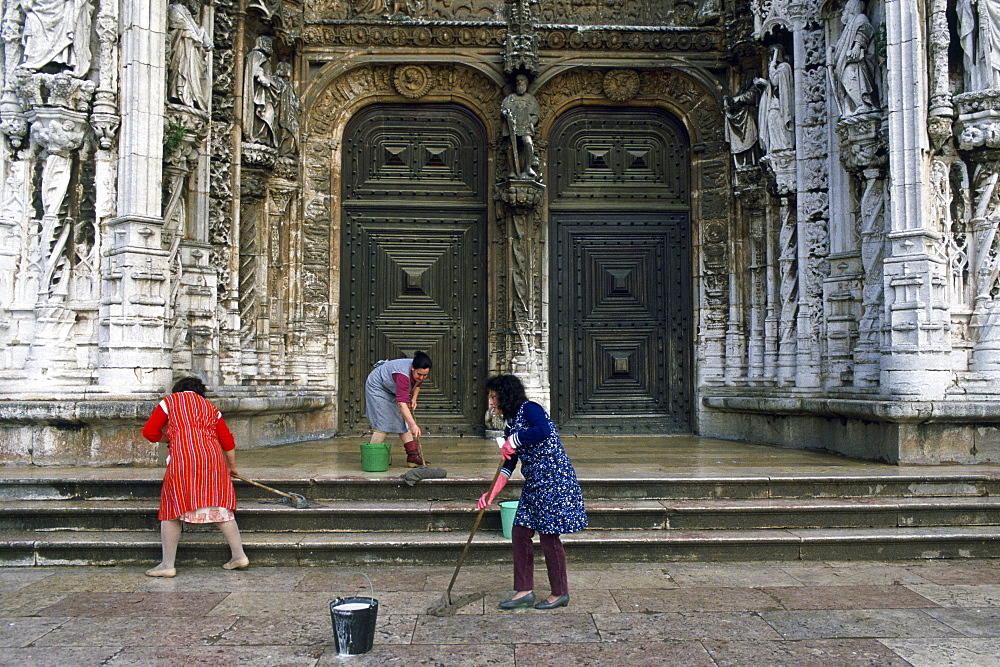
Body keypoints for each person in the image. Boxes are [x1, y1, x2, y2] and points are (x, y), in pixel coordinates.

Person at [478, 374, 588, 610]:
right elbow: (508, 466)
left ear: (506, 396)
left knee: (549, 536)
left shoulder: (531, 409)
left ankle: (560, 592)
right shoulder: (510, 425)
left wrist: (514, 440)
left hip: (554, 481)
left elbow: (543, 430)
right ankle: (524, 590)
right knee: (519, 532)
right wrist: (490, 495)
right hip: (534, 484)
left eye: (494, 397)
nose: (491, 403)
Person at [141, 376, 248, 577]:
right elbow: (227, 440)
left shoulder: (169, 402)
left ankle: (167, 565)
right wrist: (232, 467)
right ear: (201, 393)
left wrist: (170, 437)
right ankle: (239, 555)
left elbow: (149, 432)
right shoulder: (210, 408)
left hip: (183, 460)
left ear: (178, 390)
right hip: (213, 460)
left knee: (172, 510)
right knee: (220, 507)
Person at [364, 351, 432, 467]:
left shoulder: (420, 369)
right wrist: (413, 425)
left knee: (403, 419)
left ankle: (413, 456)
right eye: (419, 374)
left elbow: (418, 383)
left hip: (391, 387)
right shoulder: (402, 376)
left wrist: (414, 398)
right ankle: (371, 457)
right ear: (412, 369)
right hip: (378, 387)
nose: (422, 377)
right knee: (383, 422)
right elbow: (402, 404)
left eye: (425, 375)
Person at [831, 0, 876, 117]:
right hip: (847, 60)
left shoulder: (860, 18)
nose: (842, 13)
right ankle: (852, 107)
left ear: (851, 9)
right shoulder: (848, 25)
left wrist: (857, 46)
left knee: (849, 75)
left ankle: (864, 103)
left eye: (845, 9)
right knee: (846, 78)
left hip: (857, 61)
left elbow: (864, 30)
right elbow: (843, 43)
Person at [755, 43, 795, 155]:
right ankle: (775, 148)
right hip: (773, 103)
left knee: (777, 121)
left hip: (780, 105)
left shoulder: (784, 67)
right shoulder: (779, 69)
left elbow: (775, 81)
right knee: (772, 122)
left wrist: (771, 66)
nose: (769, 58)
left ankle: (783, 147)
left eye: (772, 54)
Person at [500, 74, 540, 178]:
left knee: (527, 142)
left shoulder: (530, 99)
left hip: (525, 126)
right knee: (510, 146)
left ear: (526, 83)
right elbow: (503, 109)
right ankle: (512, 170)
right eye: (517, 81)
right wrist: (506, 113)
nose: (519, 82)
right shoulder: (510, 98)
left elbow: (535, 115)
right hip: (511, 126)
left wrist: (531, 122)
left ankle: (527, 167)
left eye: (522, 80)